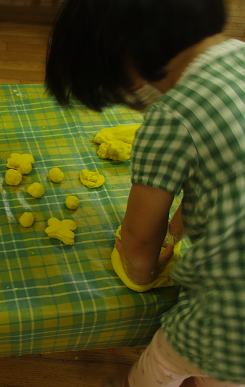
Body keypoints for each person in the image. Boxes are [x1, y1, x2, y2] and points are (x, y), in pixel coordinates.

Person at [46, 1, 245, 387]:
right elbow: (221, 185)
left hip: (229, 321)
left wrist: (144, 270)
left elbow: (138, 242)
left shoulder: (170, 116)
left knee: (161, 368)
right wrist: (174, 231)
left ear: (128, 63)